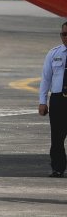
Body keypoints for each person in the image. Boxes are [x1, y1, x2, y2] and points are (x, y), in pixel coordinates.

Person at [39, 21, 67, 178]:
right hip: (58, 100)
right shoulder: (54, 53)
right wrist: (42, 101)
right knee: (57, 137)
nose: (66, 37)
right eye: (63, 34)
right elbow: (45, 79)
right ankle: (58, 168)